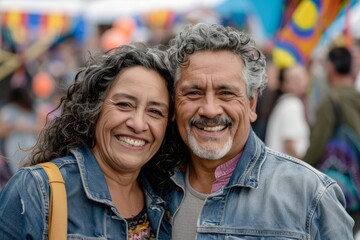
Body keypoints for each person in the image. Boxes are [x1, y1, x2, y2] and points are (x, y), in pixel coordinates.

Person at [159, 23, 354, 239]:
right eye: (194, 93)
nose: (210, 109)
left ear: (251, 105)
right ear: (174, 104)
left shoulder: (311, 194)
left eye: (226, 93)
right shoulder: (150, 187)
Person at [0, 43, 174, 239]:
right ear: (93, 110)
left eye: (155, 112)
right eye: (124, 105)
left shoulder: (169, 198)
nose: (138, 124)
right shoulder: (36, 191)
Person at [303, 46, 360, 235]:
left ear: (330, 67)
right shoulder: (357, 97)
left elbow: (318, 145)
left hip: (338, 188)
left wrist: (299, 168)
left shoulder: (331, 101)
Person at [265, 64, 310, 159]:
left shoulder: (284, 102)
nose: (301, 82)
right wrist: (306, 163)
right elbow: (289, 143)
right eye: (295, 79)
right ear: (284, 85)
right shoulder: (292, 104)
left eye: (303, 77)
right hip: (288, 168)